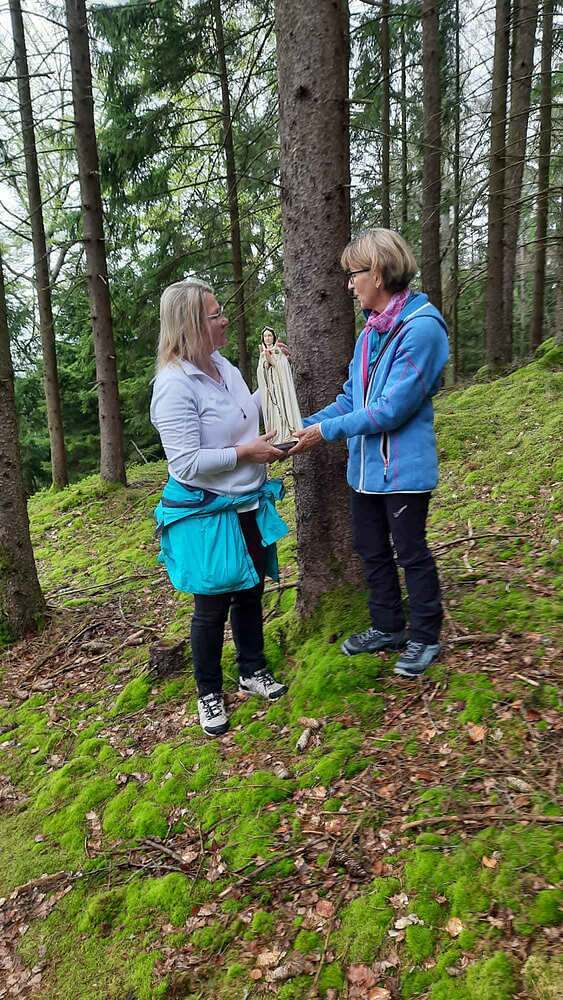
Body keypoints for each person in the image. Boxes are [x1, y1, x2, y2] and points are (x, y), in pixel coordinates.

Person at [290, 229, 449, 678]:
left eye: (354, 273)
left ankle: (425, 636)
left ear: (378, 273)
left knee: (410, 552)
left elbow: (391, 410)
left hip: (404, 471)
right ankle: (388, 627)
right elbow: (351, 400)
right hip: (365, 469)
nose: (348, 283)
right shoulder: (371, 333)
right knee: (370, 548)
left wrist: (323, 433)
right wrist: (297, 426)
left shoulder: (422, 329)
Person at [150, 279, 289, 737]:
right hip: (206, 513)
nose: (224, 318)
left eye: (220, 310)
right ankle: (208, 692)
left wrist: (273, 371)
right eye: (214, 314)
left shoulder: (222, 366)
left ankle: (252, 669)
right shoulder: (173, 385)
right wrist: (245, 454)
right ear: (191, 323)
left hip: (247, 500)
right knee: (211, 605)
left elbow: (245, 414)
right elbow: (186, 462)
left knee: (249, 590)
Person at [256, 327, 303, 447]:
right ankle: (276, 437)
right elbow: (260, 374)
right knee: (274, 414)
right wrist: (265, 365)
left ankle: (288, 433)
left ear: (273, 337)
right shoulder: (262, 355)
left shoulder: (278, 351)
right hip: (271, 392)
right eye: (265, 336)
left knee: (284, 408)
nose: (267, 338)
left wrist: (273, 362)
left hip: (281, 390)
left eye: (269, 335)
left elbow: (284, 367)